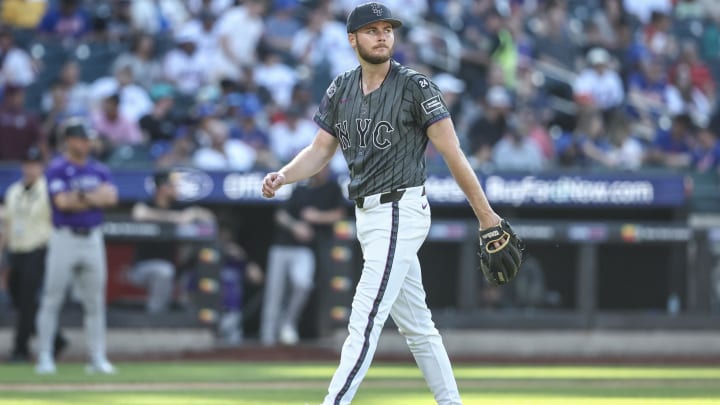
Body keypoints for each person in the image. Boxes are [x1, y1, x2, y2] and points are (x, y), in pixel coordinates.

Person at [261, 3, 503, 404]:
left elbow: (454, 154)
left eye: (387, 29)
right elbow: (320, 150)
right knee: (419, 328)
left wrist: (486, 216)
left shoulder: (416, 87)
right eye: (372, 30)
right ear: (353, 38)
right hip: (368, 215)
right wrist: (285, 175)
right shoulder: (341, 87)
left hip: (399, 210)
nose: (382, 36)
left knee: (364, 318)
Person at [35, 120, 119, 375]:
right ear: (69, 140)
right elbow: (63, 203)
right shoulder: (57, 168)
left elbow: (112, 198)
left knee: (95, 303)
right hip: (64, 238)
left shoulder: (99, 168)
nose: (86, 143)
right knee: (52, 299)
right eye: (81, 139)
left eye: (88, 139)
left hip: (93, 238)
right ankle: (45, 357)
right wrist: (94, 197)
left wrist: (81, 196)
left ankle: (97, 357)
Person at [260, 166, 346, 346]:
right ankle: (266, 339)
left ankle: (287, 323)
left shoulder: (332, 188)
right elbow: (280, 215)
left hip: (305, 248)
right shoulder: (300, 188)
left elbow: (339, 214)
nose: (321, 171)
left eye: (325, 168)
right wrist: (295, 226)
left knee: (303, 284)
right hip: (281, 246)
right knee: (274, 292)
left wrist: (317, 217)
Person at [0, 147, 67, 363]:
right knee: (18, 298)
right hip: (16, 251)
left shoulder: (49, 190)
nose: (30, 168)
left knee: (28, 300)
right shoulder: (13, 192)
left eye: (35, 164)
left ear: (41, 166)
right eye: (27, 164)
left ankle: (20, 349)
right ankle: (56, 339)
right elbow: (7, 225)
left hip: (39, 250)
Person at [130, 170, 216, 314]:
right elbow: (138, 214)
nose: (177, 189)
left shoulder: (180, 206)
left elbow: (209, 218)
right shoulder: (146, 204)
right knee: (164, 270)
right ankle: (155, 315)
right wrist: (176, 218)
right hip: (142, 268)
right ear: (162, 188)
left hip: (175, 268)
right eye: (173, 185)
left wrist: (194, 213)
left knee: (190, 265)